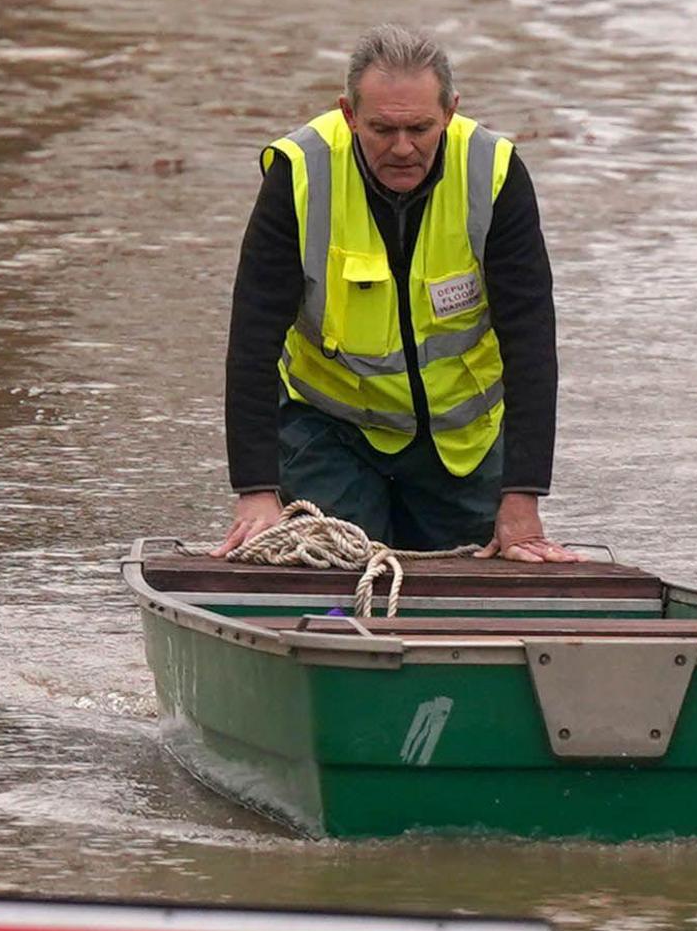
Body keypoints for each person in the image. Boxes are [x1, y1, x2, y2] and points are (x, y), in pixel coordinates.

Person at [221, 28, 573, 562]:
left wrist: (522, 498)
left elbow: (531, 344)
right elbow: (252, 340)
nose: (403, 147)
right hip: (330, 433)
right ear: (348, 114)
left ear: (451, 113)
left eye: (420, 128)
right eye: (382, 129)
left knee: (473, 594)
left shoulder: (494, 173)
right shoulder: (301, 173)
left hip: (461, 445)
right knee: (332, 579)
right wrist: (256, 493)